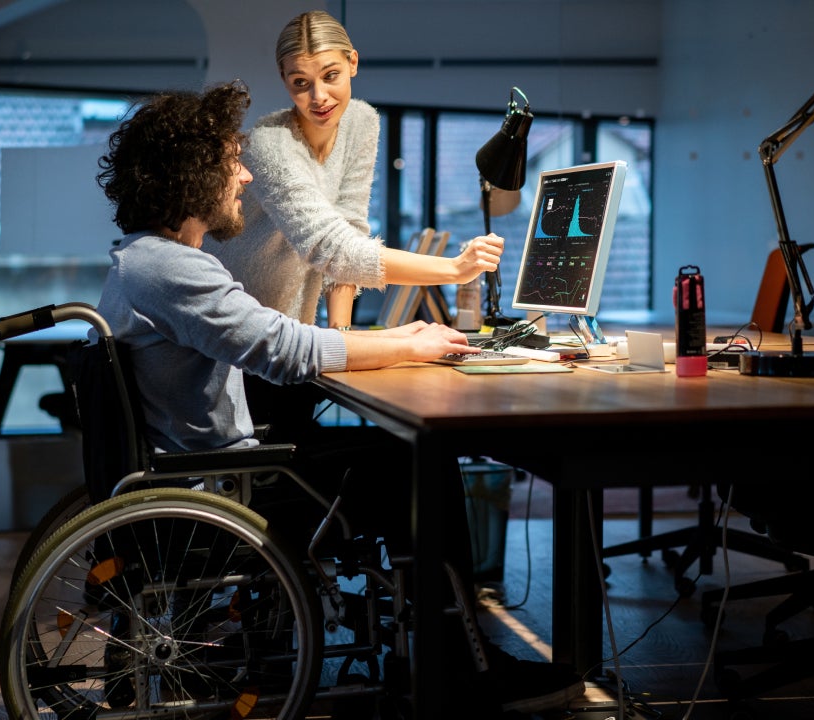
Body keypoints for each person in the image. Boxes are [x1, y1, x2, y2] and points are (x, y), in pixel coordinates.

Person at [93, 82, 585, 716]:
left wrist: (397, 337)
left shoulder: (144, 261)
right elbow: (285, 350)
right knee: (415, 459)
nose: (243, 175)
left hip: (204, 474)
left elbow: (277, 339)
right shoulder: (172, 268)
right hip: (228, 485)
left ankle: (434, 653)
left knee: (385, 448)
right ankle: (459, 671)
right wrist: (407, 347)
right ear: (192, 177)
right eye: (229, 161)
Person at [202, 9, 506, 440]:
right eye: (300, 83)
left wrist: (342, 334)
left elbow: (349, 228)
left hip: (297, 339)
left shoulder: (362, 121)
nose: (319, 97)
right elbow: (333, 249)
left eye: (331, 75)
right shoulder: (271, 146)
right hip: (246, 347)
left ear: (353, 63)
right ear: (284, 79)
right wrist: (455, 270)